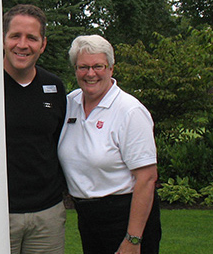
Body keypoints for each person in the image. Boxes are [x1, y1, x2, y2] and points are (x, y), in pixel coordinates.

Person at [57, 35, 161, 254]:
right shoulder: (70, 103)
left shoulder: (130, 111)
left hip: (126, 218)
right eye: (83, 67)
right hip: (88, 218)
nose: (90, 73)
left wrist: (133, 239)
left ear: (111, 68)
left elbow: (147, 178)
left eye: (98, 66)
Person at [3, 4, 67, 254]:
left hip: (47, 215)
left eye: (32, 38)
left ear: (43, 44)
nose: (22, 44)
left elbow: (59, 142)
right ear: (3, 39)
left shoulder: (54, 86)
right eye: (15, 36)